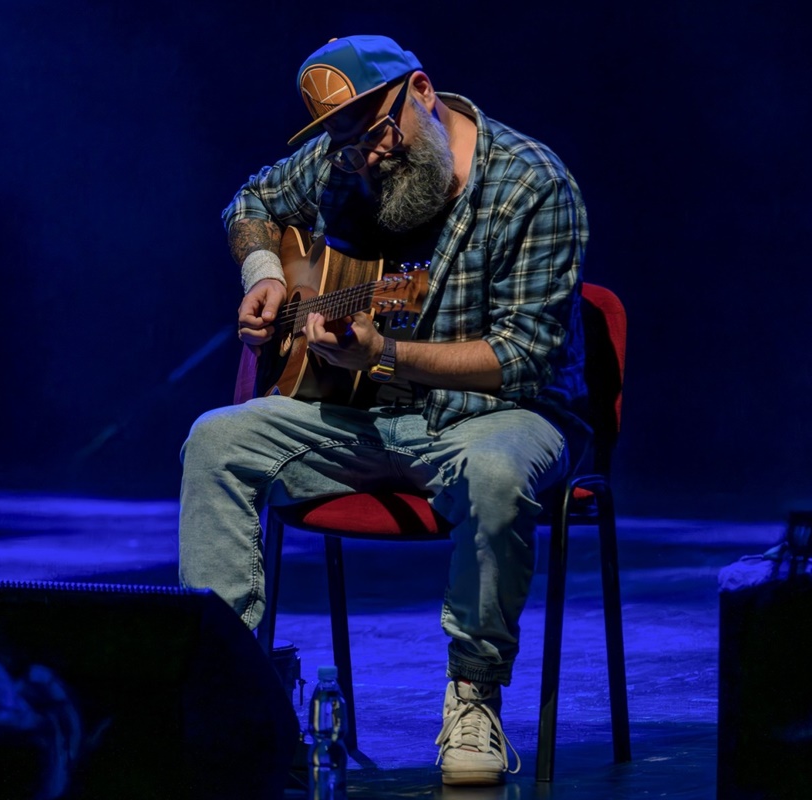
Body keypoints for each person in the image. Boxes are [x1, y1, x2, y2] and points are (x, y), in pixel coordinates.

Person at [177, 34, 590, 786]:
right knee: (215, 442)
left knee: (496, 473)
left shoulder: (532, 183)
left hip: (499, 414)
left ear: (422, 91)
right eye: (346, 145)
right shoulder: (346, 158)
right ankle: (236, 697)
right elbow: (252, 202)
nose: (366, 157)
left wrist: (388, 354)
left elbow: (524, 357)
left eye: (375, 133)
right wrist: (266, 274)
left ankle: (474, 698)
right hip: (365, 417)